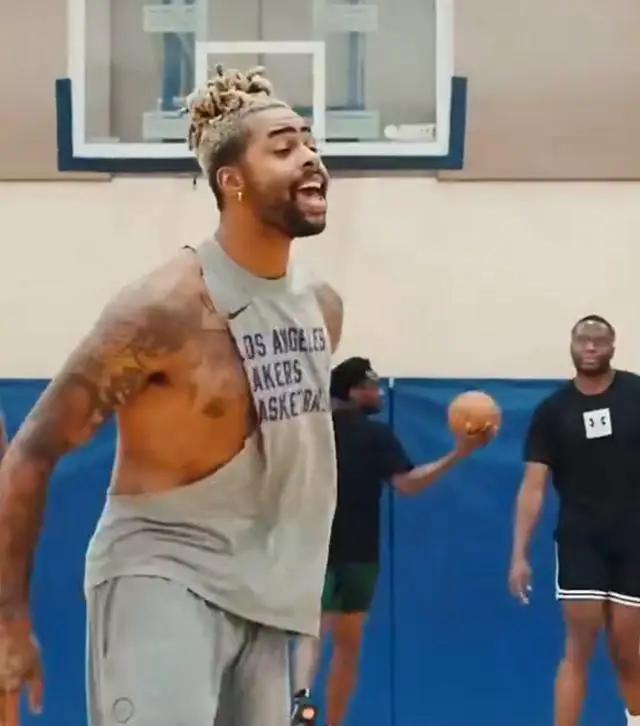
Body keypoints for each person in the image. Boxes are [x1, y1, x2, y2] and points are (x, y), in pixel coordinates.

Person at [0, 65, 343, 726]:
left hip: (266, 591)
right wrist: (9, 619)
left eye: (309, 142)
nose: (309, 158)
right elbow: (30, 454)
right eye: (283, 148)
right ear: (231, 182)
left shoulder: (321, 308)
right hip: (162, 573)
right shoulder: (162, 310)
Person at [291, 357, 495, 726]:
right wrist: (459, 453)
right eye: (372, 386)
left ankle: (301, 706)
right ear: (353, 391)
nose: (380, 393)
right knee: (347, 644)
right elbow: (409, 484)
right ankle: (331, 721)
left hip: (312, 546)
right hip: (357, 552)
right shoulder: (375, 435)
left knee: (313, 630)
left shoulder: (308, 430)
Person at [509, 315, 640, 726]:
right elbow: (533, 486)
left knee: (626, 648)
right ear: (571, 346)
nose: (591, 346)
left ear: (613, 347)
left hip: (634, 536)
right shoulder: (553, 411)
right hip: (581, 538)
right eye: (583, 339)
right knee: (579, 648)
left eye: (599, 340)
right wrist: (519, 554)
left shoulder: (635, 393)